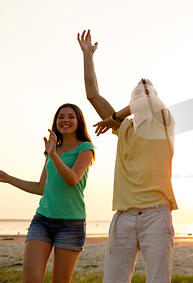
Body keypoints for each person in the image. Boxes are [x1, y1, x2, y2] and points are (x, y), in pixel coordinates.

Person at [77, 30, 177, 283]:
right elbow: (93, 95)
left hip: (156, 213)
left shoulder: (164, 123)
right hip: (123, 215)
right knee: (113, 279)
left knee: (158, 279)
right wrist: (88, 56)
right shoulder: (124, 128)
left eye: (147, 92)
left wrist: (112, 118)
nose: (143, 95)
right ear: (129, 101)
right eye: (136, 94)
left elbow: (151, 101)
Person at [0, 103, 95, 283]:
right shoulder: (52, 150)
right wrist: (9, 178)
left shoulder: (85, 148)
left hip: (71, 223)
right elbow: (41, 187)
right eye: (61, 117)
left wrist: (53, 155)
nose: (65, 120)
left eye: (70, 116)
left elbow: (72, 179)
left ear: (79, 121)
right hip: (42, 220)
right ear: (55, 121)